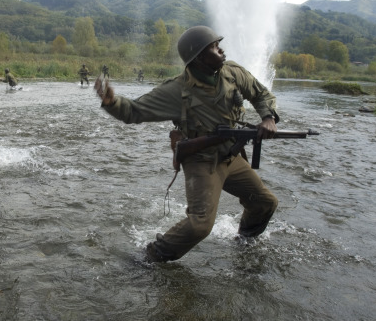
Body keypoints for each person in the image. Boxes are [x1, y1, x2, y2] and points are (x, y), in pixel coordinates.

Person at [94, 26, 279, 262]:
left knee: (265, 202)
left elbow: (260, 94)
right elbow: (134, 111)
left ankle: (245, 242)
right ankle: (149, 257)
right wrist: (112, 103)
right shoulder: (176, 90)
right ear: (200, 57)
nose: (221, 50)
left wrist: (268, 118)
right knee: (200, 225)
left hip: (231, 157)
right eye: (214, 47)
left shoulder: (232, 73)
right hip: (201, 160)